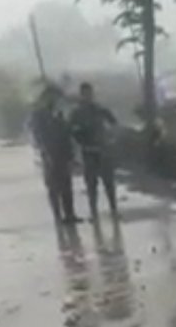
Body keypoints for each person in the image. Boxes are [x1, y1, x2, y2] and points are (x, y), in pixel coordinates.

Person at [69, 82, 118, 220]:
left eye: (90, 93)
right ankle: (94, 212)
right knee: (91, 184)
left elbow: (114, 123)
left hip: (103, 150)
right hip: (88, 151)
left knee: (108, 182)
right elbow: (71, 131)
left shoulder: (100, 109)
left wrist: (110, 138)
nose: (88, 96)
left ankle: (113, 210)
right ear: (82, 95)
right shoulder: (77, 113)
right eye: (85, 94)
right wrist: (80, 142)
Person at [30, 85, 78, 224]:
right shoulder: (38, 115)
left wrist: (71, 154)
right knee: (53, 187)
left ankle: (70, 214)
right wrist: (43, 151)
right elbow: (37, 135)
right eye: (51, 97)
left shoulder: (59, 113)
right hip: (48, 153)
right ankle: (58, 215)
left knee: (66, 185)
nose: (54, 100)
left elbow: (66, 133)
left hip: (62, 153)